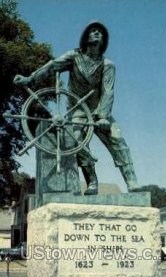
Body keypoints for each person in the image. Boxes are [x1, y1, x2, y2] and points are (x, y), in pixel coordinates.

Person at [14, 21, 139, 195]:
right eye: (93, 31)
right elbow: (52, 66)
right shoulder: (74, 56)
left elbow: (108, 91)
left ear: (105, 40)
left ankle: (132, 181)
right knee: (78, 143)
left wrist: (103, 116)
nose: (97, 33)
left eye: (100, 32)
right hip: (78, 111)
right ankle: (92, 182)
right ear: (85, 36)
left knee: (118, 141)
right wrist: (30, 79)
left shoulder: (108, 65)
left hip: (100, 111)